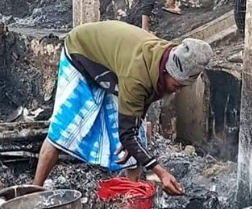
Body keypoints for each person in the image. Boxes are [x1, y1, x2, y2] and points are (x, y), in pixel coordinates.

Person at [33, 21, 213, 196]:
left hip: (115, 62)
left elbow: (141, 105)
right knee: (63, 130)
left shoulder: (167, 57)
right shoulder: (136, 76)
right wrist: (161, 173)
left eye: (182, 86)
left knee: (136, 139)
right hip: (81, 52)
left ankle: (130, 201)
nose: (178, 90)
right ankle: (34, 191)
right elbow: (126, 133)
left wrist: (133, 137)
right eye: (176, 85)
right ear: (166, 72)